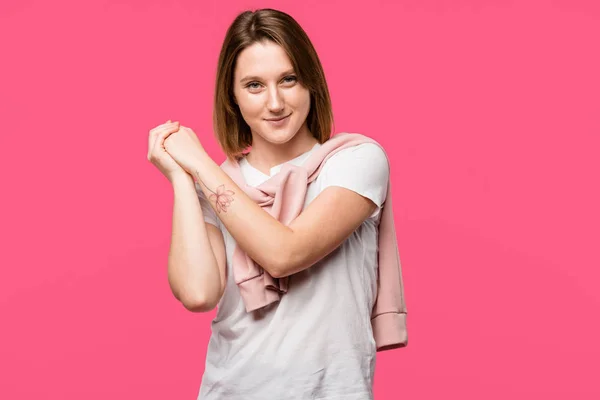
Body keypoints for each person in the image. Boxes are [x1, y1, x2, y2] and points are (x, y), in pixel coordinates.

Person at [147, 8, 406, 400]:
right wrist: (182, 178)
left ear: (310, 84)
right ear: (232, 97)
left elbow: (284, 253)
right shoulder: (219, 185)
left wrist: (198, 162)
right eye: (253, 85)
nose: (275, 103)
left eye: (288, 80)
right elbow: (198, 294)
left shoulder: (355, 161)